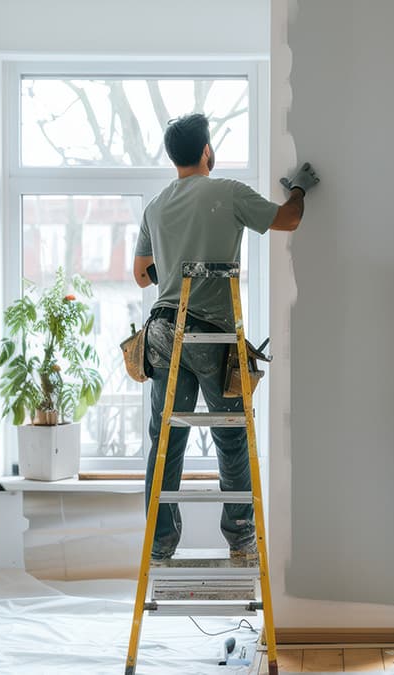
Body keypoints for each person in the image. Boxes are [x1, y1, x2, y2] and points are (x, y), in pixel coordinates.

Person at [132, 113, 317, 560]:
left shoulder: (155, 206)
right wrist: (299, 188)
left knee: (165, 439)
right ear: (207, 153)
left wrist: (174, 274)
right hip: (213, 337)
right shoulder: (227, 192)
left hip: (163, 333)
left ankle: (159, 544)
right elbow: (289, 220)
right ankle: (240, 539)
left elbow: (141, 276)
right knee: (231, 437)